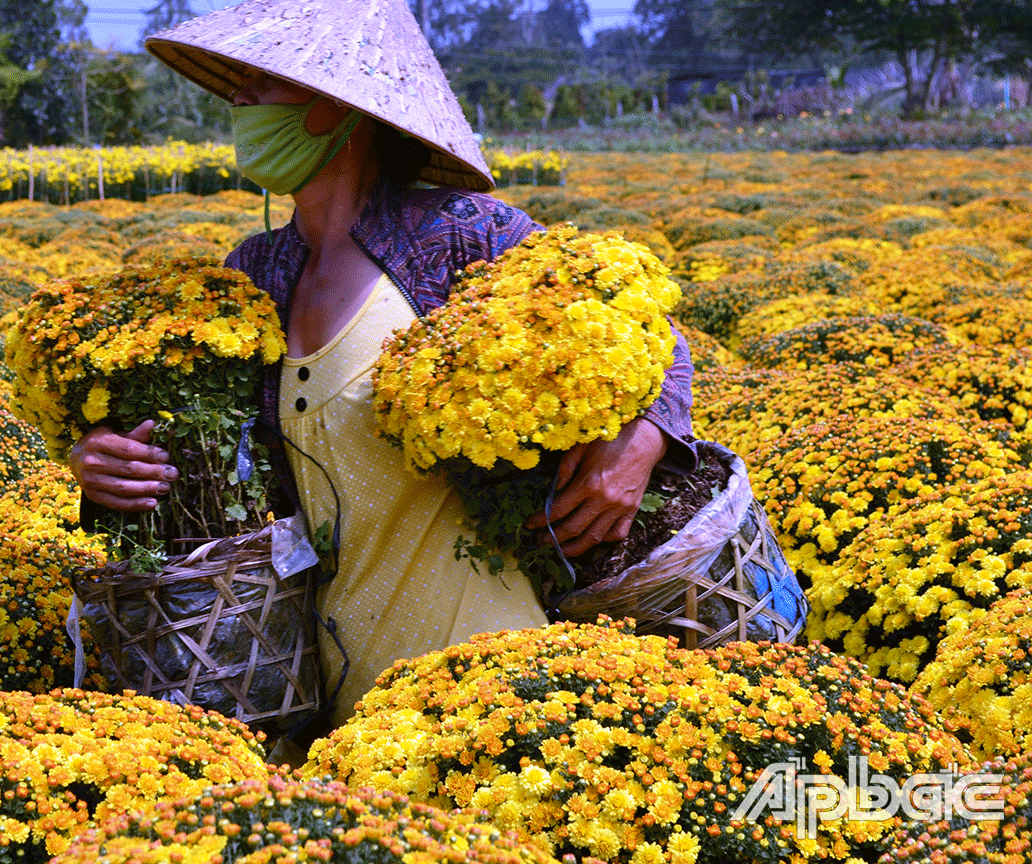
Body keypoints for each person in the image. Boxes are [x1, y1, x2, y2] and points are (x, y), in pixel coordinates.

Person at [70, 0, 696, 725]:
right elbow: (214, 483)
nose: (238, 100)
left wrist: (645, 440)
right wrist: (108, 466)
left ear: (338, 106)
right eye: (236, 82)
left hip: (497, 675)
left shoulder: (464, 236)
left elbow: (644, 329)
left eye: (260, 82)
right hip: (337, 695)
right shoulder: (255, 274)